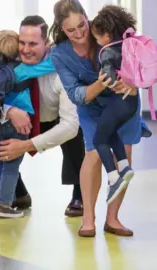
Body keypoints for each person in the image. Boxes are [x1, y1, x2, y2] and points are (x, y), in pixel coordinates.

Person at [50, 0, 151, 237]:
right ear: (61, 29)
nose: (79, 34)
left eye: (81, 25)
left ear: (87, 18)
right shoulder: (60, 54)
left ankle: (112, 219)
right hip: (91, 106)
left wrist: (133, 84)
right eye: (70, 30)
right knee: (94, 152)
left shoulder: (105, 30)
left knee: (123, 157)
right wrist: (99, 84)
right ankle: (88, 219)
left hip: (122, 103)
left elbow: (138, 60)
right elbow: (76, 95)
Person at [0, 15, 84, 217]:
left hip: (52, 118)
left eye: (33, 44)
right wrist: (9, 111)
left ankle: (79, 195)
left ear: (46, 43)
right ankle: (14, 194)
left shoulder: (61, 67)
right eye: (22, 42)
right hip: (20, 119)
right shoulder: (8, 59)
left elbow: (70, 125)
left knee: (77, 134)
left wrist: (26, 146)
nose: (26, 49)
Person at [90, 5, 138, 203]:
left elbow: (108, 81)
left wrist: (103, 82)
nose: (96, 41)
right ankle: (125, 167)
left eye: (97, 37)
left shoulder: (108, 52)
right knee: (110, 134)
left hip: (118, 102)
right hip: (131, 102)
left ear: (107, 35)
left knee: (98, 140)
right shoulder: (128, 44)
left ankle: (113, 178)